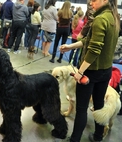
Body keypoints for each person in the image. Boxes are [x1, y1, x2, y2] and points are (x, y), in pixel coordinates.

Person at [59, 0, 120, 141]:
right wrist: (70, 47)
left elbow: (94, 49)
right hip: (106, 71)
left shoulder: (100, 19)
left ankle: (75, 139)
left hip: (91, 72)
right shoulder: (113, 17)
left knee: (81, 108)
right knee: (99, 104)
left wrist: (80, 71)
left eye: (94, 0)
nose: (91, 3)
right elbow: (89, 40)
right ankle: (98, 136)